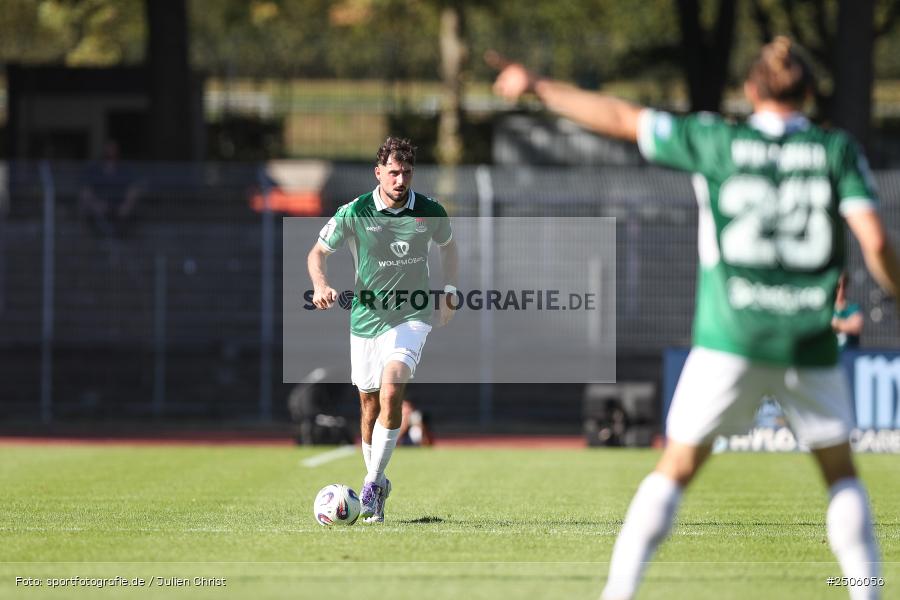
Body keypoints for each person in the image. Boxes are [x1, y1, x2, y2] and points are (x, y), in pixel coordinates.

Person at [490, 36, 900, 600]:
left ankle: (618, 593)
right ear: (809, 92)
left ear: (750, 90)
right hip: (808, 342)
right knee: (840, 474)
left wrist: (538, 86)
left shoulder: (715, 139)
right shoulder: (836, 150)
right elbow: (874, 241)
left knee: (675, 468)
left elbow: (621, 118)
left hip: (730, 338)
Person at [307, 137, 458, 523]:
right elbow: (318, 252)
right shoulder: (355, 211)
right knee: (369, 405)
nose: (400, 179)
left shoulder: (429, 211)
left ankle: (372, 484)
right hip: (366, 320)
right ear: (378, 173)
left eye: (406, 172)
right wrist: (321, 285)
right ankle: (379, 481)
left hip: (411, 316)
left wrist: (450, 291)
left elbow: (449, 246)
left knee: (392, 388)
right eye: (393, 172)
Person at [79, 140, 142, 238]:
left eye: (113, 149)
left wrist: (126, 205)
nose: (110, 152)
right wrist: (95, 204)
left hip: (119, 205)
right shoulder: (94, 169)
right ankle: (104, 238)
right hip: (100, 205)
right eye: (108, 149)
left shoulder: (126, 169)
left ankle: (117, 239)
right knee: (89, 209)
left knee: (128, 214)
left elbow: (134, 188)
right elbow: (85, 190)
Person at [833, 272, 864, 350]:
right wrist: (845, 324)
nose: (841, 290)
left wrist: (834, 323)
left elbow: (856, 327)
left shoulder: (853, 307)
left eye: (844, 285)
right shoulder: (824, 308)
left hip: (850, 354)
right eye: (838, 286)